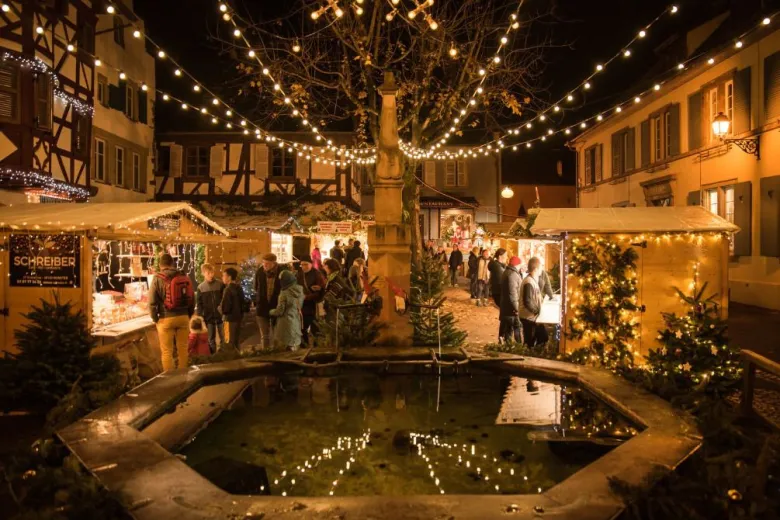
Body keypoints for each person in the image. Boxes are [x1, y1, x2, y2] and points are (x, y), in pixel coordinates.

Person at [149, 253, 194, 371]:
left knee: (167, 352)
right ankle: (184, 375)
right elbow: (191, 298)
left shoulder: (157, 278)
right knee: (183, 349)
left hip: (166, 318)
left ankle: (170, 380)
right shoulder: (183, 276)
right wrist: (188, 315)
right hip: (183, 317)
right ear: (172, 263)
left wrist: (155, 319)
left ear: (160, 265)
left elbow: (152, 302)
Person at [253, 253, 288, 349]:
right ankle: (266, 354)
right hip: (262, 307)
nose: (264, 265)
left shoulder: (283, 273)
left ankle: (277, 355)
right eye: (263, 263)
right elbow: (256, 287)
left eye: (267, 263)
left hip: (277, 307)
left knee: (277, 335)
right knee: (265, 336)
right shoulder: (260, 272)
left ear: (274, 263)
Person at [269, 271, 304, 351]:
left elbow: (280, 311)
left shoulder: (284, 293)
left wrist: (271, 311)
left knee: (284, 349)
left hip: (284, 324)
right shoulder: (300, 291)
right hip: (296, 320)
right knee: (295, 347)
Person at [519, 257, 549, 347]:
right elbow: (527, 301)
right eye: (540, 268)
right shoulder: (529, 281)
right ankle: (529, 356)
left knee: (541, 337)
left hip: (531, 316)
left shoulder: (532, 280)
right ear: (536, 269)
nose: (541, 270)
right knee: (530, 341)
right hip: (529, 317)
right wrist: (537, 311)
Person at [298, 255, 326, 346]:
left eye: (305, 264)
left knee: (315, 327)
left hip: (314, 305)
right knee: (302, 327)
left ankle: (316, 347)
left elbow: (321, 289)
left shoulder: (317, 274)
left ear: (311, 264)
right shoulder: (299, 274)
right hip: (303, 305)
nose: (303, 267)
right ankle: (304, 346)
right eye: (302, 265)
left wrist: (308, 296)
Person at [196, 263, 224, 354]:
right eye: (208, 273)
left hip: (220, 316)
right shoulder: (201, 287)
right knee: (211, 339)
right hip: (208, 317)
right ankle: (213, 356)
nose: (211, 275)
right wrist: (201, 316)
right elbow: (199, 304)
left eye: (212, 272)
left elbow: (224, 298)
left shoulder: (220, 284)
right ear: (203, 273)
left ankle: (225, 354)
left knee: (223, 337)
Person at [499, 256, 523, 344]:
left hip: (506, 307)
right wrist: (517, 308)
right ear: (517, 264)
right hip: (511, 309)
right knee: (514, 328)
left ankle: (506, 345)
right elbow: (512, 294)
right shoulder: (512, 275)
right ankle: (517, 347)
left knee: (507, 329)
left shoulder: (507, 272)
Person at [220, 267, 245, 348]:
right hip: (238, 318)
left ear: (229, 277)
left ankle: (230, 359)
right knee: (236, 342)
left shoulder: (228, 290)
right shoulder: (239, 288)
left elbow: (225, 308)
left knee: (228, 342)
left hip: (228, 319)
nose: (222, 278)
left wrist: (220, 309)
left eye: (224, 276)